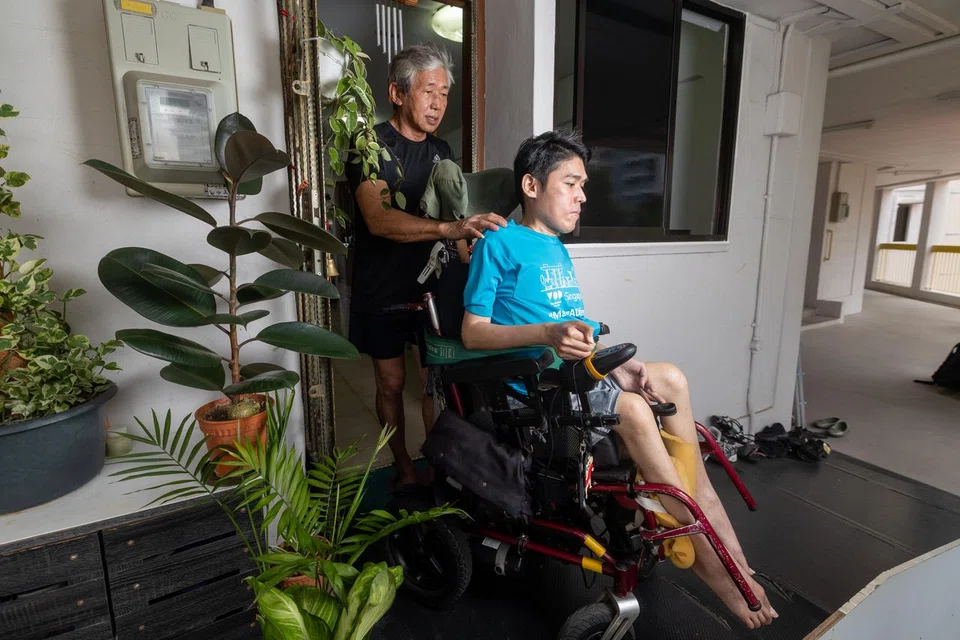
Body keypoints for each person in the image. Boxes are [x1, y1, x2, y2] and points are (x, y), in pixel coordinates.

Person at [460, 129, 778, 629]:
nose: (582, 196)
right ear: (531, 185)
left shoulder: (556, 249)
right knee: (631, 408)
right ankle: (719, 574)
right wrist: (546, 333)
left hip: (578, 378)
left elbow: (575, 331)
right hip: (540, 395)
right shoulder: (497, 245)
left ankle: (728, 550)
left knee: (670, 378)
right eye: (571, 183)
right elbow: (473, 331)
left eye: (583, 185)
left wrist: (614, 361)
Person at [344, 43, 507, 486]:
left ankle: (437, 464)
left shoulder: (442, 149)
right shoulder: (369, 146)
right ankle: (401, 465)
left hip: (433, 287)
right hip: (382, 286)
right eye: (428, 91)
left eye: (444, 94)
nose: (437, 103)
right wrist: (448, 229)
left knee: (438, 379)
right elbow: (378, 219)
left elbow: (456, 216)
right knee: (391, 383)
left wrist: (473, 262)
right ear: (397, 93)